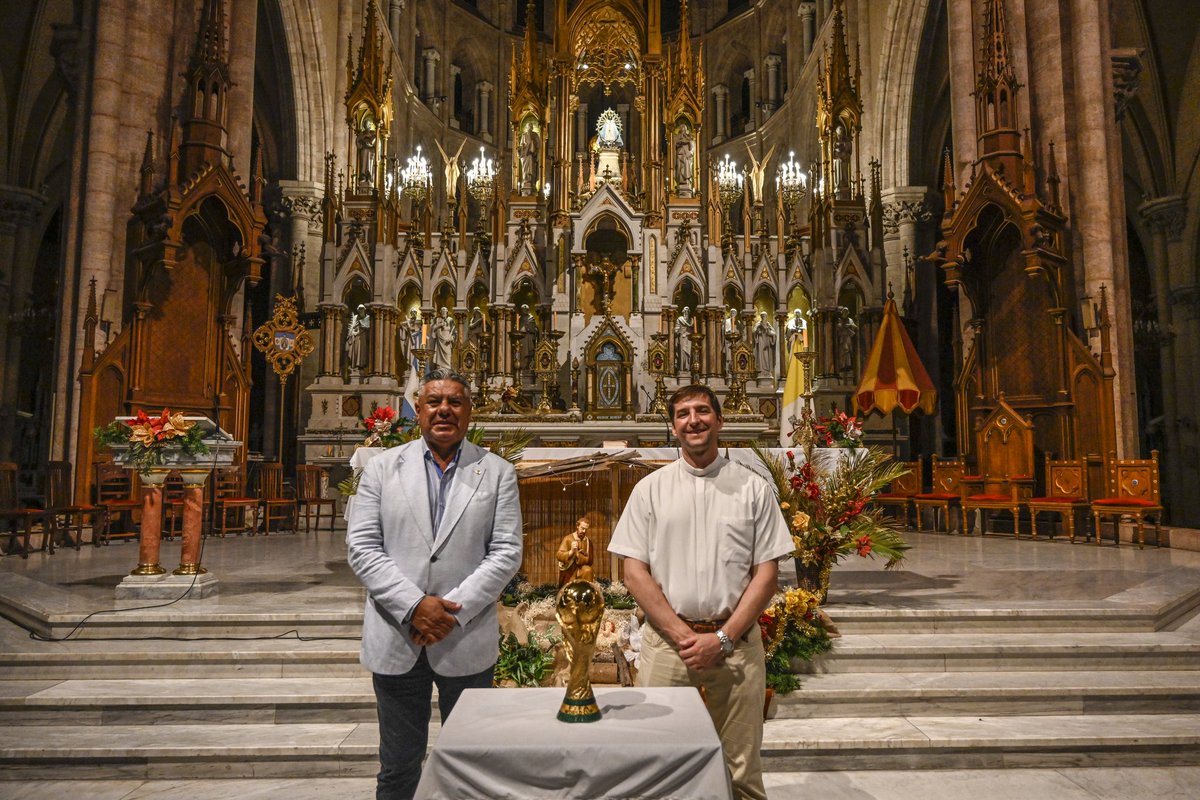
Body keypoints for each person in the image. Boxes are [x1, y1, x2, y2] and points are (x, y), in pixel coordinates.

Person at [609, 384, 793, 800]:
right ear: (673, 427)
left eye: (703, 411)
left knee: (742, 773)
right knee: (661, 767)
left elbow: (767, 574)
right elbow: (633, 571)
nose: (694, 420)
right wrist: (682, 636)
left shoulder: (753, 489)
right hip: (667, 649)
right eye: (683, 414)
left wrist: (723, 638)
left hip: (737, 649)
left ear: (720, 420)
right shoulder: (650, 490)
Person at [347, 368, 523, 800]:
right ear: (419, 410)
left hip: (464, 638)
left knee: (471, 763)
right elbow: (362, 547)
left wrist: (449, 612)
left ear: (469, 411)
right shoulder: (382, 468)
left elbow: (505, 552)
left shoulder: (496, 471)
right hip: (397, 635)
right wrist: (415, 606)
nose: (444, 410)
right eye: (434, 402)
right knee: (399, 765)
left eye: (455, 402)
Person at [556, 516, 595, 586]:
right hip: (570, 571)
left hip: (582, 570)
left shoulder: (588, 542)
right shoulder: (568, 539)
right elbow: (559, 555)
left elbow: (590, 560)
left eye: (586, 529)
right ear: (577, 526)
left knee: (588, 570)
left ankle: (586, 592)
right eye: (582, 528)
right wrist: (571, 552)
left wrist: (578, 555)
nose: (584, 531)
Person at [346, 304, 370, 371]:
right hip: (356, 336)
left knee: (363, 352)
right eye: (360, 309)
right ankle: (355, 365)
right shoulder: (355, 317)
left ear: (364, 309)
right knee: (355, 351)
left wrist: (361, 324)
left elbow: (368, 327)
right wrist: (353, 330)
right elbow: (352, 327)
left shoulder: (367, 317)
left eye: (362, 309)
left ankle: (362, 365)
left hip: (363, 337)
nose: (361, 310)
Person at [753, 312, 777, 378]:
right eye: (762, 316)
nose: (763, 317)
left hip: (767, 342)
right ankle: (761, 371)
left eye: (765, 316)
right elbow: (754, 331)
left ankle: (767, 371)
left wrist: (770, 333)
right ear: (761, 316)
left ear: (766, 316)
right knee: (761, 356)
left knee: (767, 356)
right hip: (760, 341)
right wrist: (757, 331)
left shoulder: (768, 324)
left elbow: (774, 333)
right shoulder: (758, 324)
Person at [674, 307, 693, 374]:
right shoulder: (680, 319)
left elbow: (693, 330)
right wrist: (678, 331)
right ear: (683, 311)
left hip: (689, 338)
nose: (686, 311)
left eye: (688, 310)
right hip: (682, 337)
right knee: (682, 352)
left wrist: (688, 333)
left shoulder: (691, 320)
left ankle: (687, 368)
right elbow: (676, 328)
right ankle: (681, 368)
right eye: (685, 310)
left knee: (689, 353)